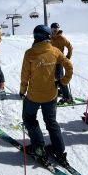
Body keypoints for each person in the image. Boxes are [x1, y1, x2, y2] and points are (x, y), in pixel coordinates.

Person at [20, 24, 73, 166]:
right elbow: (69, 66)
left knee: (29, 118)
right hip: (51, 94)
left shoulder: (30, 53)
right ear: (48, 36)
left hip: (34, 95)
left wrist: (22, 90)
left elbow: (25, 75)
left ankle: (38, 147)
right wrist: (63, 81)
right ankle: (59, 150)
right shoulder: (55, 51)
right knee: (51, 121)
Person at [50, 22, 73, 104]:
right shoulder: (49, 38)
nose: (55, 30)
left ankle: (67, 97)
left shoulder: (62, 38)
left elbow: (70, 47)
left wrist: (68, 57)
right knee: (52, 78)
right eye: (54, 29)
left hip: (59, 62)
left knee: (60, 79)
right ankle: (59, 91)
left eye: (57, 29)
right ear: (51, 29)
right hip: (50, 62)